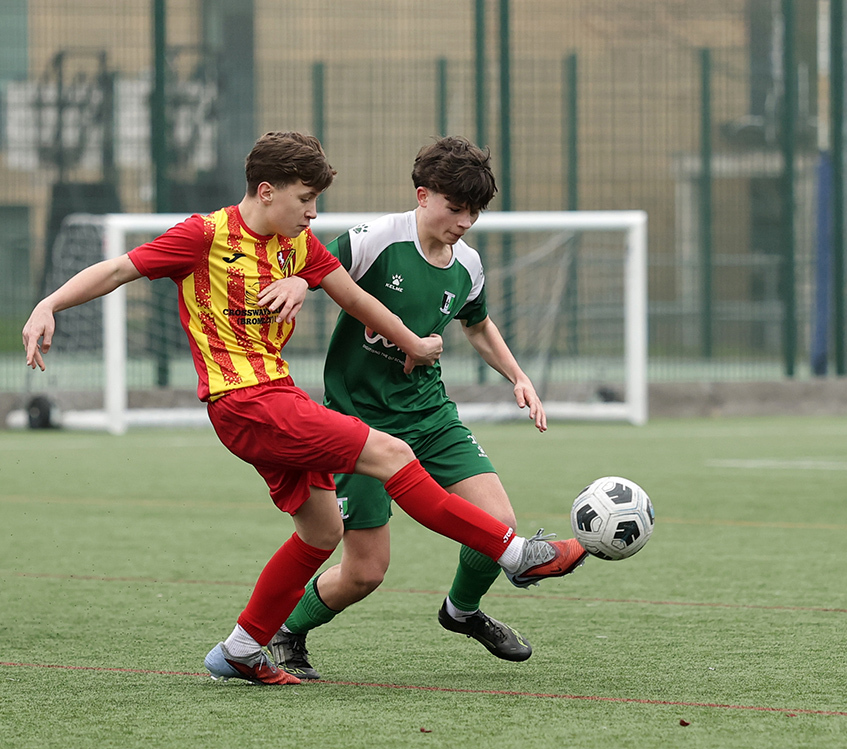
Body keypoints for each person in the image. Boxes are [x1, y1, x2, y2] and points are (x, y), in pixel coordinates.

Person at [21, 131, 587, 686]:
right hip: (242, 400)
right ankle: (514, 554)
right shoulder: (204, 235)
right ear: (267, 191)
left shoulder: (298, 244)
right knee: (389, 453)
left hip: (279, 395)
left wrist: (413, 343)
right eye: (306, 200)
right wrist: (49, 303)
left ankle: (242, 649)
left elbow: (353, 297)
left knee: (320, 532)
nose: (314, 214)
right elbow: (120, 269)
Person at [263, 135, 557, 680]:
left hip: (431, 415)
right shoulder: (375, 240)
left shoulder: (467, 263)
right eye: (455, 207)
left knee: (499, 524)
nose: (465, 220)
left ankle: (461, 611)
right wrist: (295, 282)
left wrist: (519, 376)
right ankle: (284, 631)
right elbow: (310, 261)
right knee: (365, 572)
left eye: (474, 211)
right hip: (361, 427)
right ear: (423, 196)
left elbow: (478, 325)